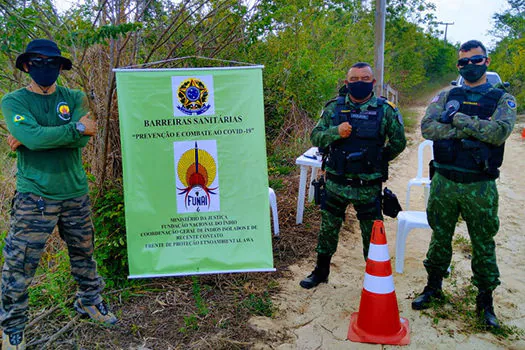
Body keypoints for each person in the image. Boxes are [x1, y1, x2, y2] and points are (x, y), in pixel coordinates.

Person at [1, 39, 117, 350]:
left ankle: (90, 302)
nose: (46, 68)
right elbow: (36, 138)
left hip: (74, 193)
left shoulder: (74, 97)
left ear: (60, 67)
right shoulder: (14, 101)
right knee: (19, 263)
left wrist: (33, 136)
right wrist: (71, 130)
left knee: (84, 253)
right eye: (38, 62)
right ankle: (12, 328)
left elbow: (74, 140)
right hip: (34, 197)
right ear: (26, 65)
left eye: (52, 63)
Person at [412, 40, 517, 329]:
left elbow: (497, 133)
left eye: (476, 60)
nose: (470, 66)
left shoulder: (501, 98)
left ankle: (485, 302)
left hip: (479, 185)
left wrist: (457, 119)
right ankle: (433, 288)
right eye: (464, 62)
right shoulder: (447, 94)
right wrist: (472, 129)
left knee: (483, 243)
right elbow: (428, 128)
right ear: (458, 66)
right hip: (445, 180)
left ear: (487, 61)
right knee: (439, 237)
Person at [300, 62, 406, 289]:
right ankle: (321, 271)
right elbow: (316, 137)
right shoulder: (333, 109)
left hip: (367, 186)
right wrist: (335, 132)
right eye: (354, 79)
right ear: (347, 83)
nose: (360, 83)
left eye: (365, 79)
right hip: (336, 183)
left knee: (372, 235)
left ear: (374, 82)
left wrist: (377, 160)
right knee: (328, 229)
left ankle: (375, 279)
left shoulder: (385, 110)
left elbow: (399, 143)